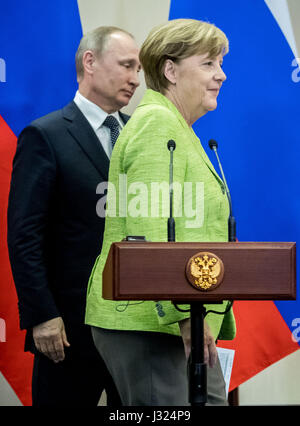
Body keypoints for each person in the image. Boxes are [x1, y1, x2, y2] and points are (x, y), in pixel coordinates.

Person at [85, 19, 236, 406]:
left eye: (220, 63)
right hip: (154, 322)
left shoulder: (179, 128)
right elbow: (146, 234)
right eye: (208, 64)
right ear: (170, 70)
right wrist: (184, 315)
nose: (221, 74)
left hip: (183, 317)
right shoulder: (157, 125)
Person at [7, 26, 140, 407]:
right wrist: (42, 315)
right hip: (67, 331)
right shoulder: (45, 135)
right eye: (127, 65)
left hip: (135, 328)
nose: (135, 78)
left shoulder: (140, 134)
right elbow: (24, 236)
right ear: (90, 62)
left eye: (139, 70)